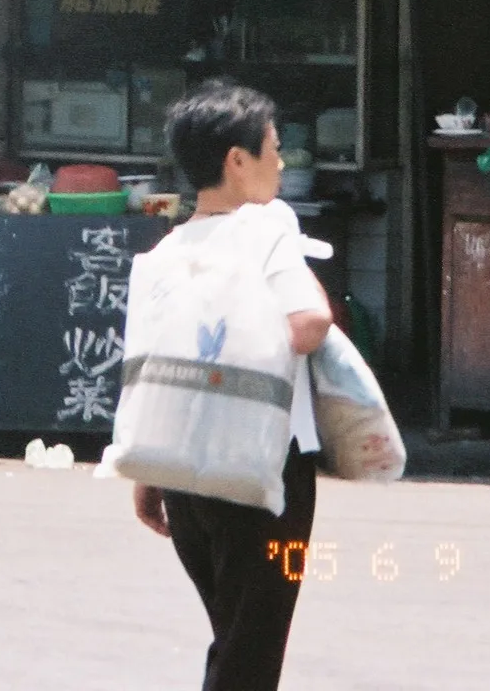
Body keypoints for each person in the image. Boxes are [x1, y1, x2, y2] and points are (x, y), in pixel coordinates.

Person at [133, 81, 332, 691]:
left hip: (185, 475)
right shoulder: (267, 226)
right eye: (273, 149)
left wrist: (147, 477)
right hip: (265, 471)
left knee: (236, 635)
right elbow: (309, 323)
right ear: (236, 161)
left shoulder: (165, 253)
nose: (281, 161)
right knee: (254, 647)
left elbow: (149, 368)